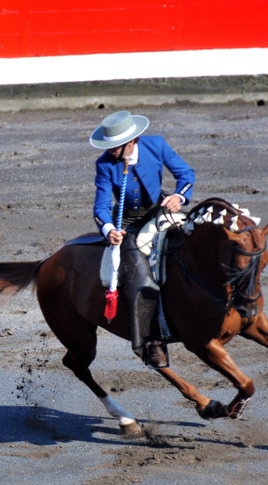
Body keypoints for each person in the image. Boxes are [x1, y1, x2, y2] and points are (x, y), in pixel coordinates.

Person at [90, 110, 195, 369]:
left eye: (116, 147)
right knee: (139, 279)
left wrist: (178, 198)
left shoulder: (156, 144)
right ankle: (152, 341)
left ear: (132, 141)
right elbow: (102, 206)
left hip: (160, 210)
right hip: (127, 224)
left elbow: (186, 174)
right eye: (109, 147)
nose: (111, 152)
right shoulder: (104, 164)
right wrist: (108, 230)